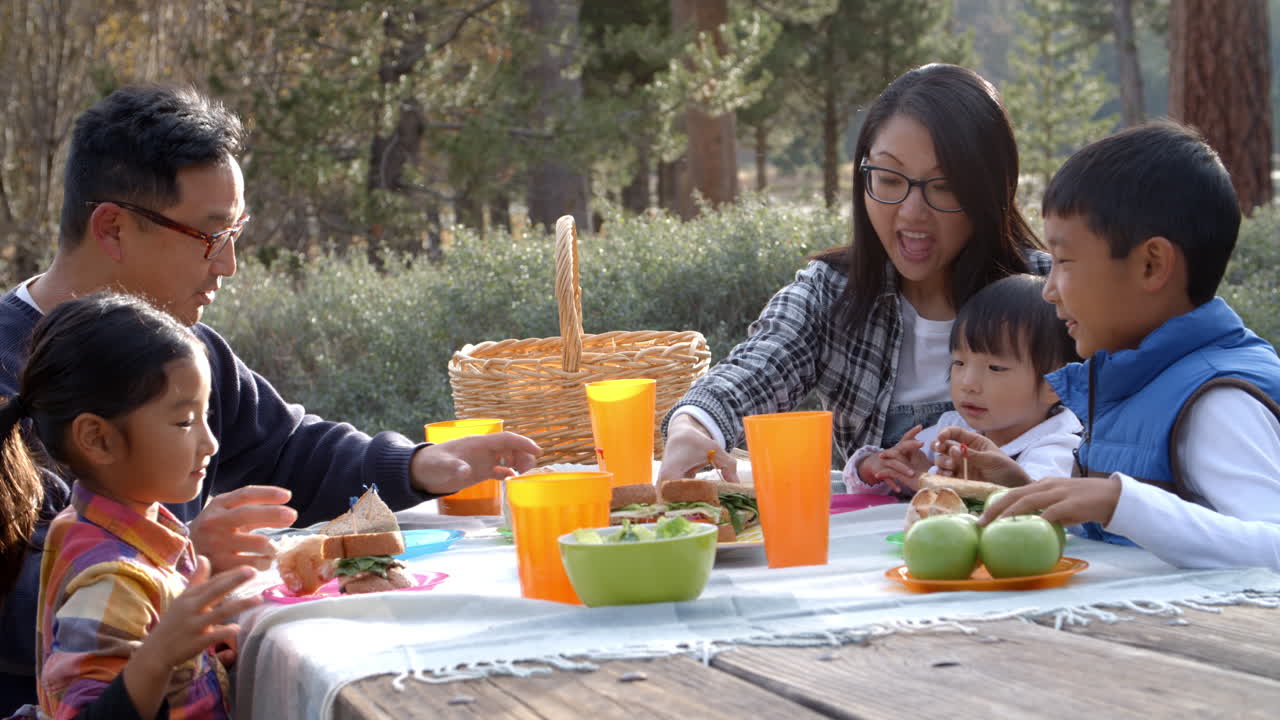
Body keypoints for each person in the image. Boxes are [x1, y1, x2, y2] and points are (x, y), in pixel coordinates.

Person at [0, 85, 540, 710]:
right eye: (209, 236)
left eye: (236, 232)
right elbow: (26, 611)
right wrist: (178, 555)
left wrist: (414, 466)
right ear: (113, 227)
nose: (228, 265)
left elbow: (287, 450)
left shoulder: (188, 349)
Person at [658, 64, 1048, 484]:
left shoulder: (1049, 293)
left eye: (945, 187)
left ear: (992, 191)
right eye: (888, 178)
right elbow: (756, 367)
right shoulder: (832, 292)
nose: (911, 212)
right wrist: (693, 426)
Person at [936, 121, 1280, 571]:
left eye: (1064, 262)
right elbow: (1125, 533)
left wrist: (1122, 501)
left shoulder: (1215, 399)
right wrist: (1024, 489)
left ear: (1151, 265)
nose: (1049, 290)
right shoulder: (1133, 380)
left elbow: (1272, 545)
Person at [4, 293, 261, 719]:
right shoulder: (111, 582)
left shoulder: (88, 525)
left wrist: (198, 660)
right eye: (184, 422)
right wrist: (159, 658)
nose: (211, 443)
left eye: (206, 414)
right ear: (97, 438)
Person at [843, 274, 1081, 495]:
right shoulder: (953, 429)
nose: (968, 384)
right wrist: (876, 467)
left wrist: (931, 480)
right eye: (959, 362)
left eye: (995, 368)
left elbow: (1028, 505)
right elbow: (889, 482)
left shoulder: (1059, 447)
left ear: (1054, 384)